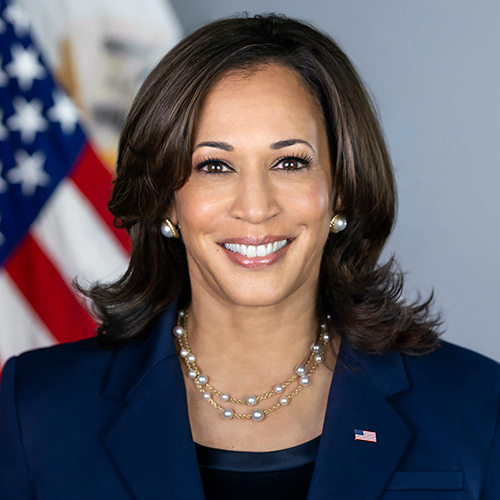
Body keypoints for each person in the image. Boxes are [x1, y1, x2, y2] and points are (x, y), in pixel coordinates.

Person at [0, 13, 499, 500]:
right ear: (166, 201)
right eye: (215, 165)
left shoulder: (477, 403)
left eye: (289, 162)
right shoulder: (35, 408)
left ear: (340, 190)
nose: (256, 208)